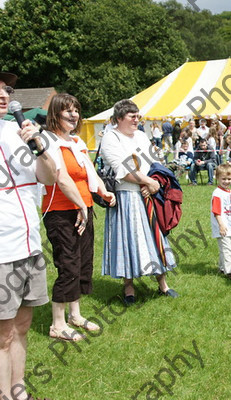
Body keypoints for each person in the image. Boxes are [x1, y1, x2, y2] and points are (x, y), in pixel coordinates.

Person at [0, 71, 58, 400]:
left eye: (7, 90)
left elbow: (48, 178)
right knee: (3, 335)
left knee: (21, 327)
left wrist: (38, 147)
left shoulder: (19, 132)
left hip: (30, 247)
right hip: (2, 252)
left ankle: (19, 391)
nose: (4, 96)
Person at [41, 93, 117, 341]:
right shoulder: (48, 140)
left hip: (83, 208)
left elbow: (88, 170)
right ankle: (57, 324)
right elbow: (60, 178)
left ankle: (75, 315)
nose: (74, 115)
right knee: (68, 264)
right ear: (55, 113)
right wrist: (78, 205)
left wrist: (102, 191)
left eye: (76, 110)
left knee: (83, 263)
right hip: (61, 212)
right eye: (67, 110)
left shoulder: (76, 142)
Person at [101, 99, 178, 306]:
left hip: (147, 195)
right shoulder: (111, 137)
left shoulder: (142, 136)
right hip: (125, 196)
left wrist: (154, 183)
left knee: (155, 237)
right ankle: (129, 287)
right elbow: (121, 169)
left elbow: (155, 162)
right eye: (132, 116)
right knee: (128, 240)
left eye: (138, 116)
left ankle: (163, 284)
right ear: (119, 118)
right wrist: (149, 181)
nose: (137, 120)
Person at [211, 163, 231, 280]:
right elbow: (216, 212)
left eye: (229, 179)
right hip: (222, 226)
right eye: (223, 179)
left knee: (228, 247)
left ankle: (222, 267)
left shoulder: (229, 191)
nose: (226, 181)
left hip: (230, 224)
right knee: (226, 248)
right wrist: (221, 225)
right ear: (217, 178)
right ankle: (230, 270)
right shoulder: (217, 193)